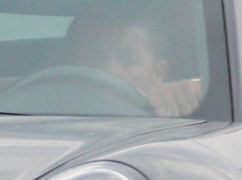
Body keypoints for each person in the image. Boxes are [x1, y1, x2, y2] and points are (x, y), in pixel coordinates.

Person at [60, 16, 206, 117]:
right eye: (96, 58)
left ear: (158, 73)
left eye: (130, 61)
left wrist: (193, 93)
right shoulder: (52, 106)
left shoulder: (175, 117)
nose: (110, 70)